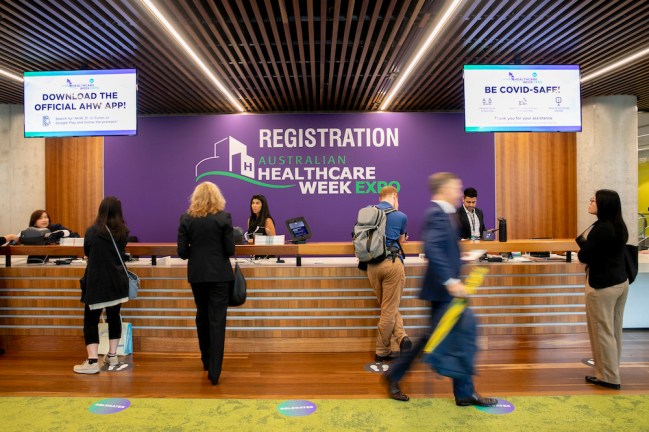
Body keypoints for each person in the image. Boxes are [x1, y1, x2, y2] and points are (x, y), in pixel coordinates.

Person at [383, 172, 496, 406]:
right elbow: (433, 249)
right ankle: (464, 393)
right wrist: (451, 282)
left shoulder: (446, 214)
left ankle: (461, 392)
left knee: (442, 338)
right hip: (443, 291)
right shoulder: (436, 214)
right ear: (443, 189)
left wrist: (464, 258)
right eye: (456, 188)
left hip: (446, 291)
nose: (459, 192)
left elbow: (445, 249)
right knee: (459, 337)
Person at [178, 182, 235, 385]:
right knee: (217, 320)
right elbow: (230, 250)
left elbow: (182, 252)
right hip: (220, 275)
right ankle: (215, 371)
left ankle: (205, 359)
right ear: (217, 197)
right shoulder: (223, 217)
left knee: (202, 316)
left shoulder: (186, 219)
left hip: (198, 275)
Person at [576, 189, 629, 390]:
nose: (590, 202)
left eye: (593, 200)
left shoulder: (601, 229)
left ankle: (608, 377)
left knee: (601, 331)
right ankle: (611, 371)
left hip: (602, 286)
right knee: (614, 330)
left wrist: (584, 246)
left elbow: (584, 256)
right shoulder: (618, 225)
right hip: (620, 283)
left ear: (604, 205)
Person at [74, 197, 130, 374]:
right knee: (114, 316)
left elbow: (87, 252)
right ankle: (112, 355)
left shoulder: (92, 231)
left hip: (97, 283)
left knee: (91, 320)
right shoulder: (123, 231)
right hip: (117, 282)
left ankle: (92, 362)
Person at [366, 186, 411, 363]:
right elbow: (401, 240)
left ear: (379, 198)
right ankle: (382, 350)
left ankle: (400, 339)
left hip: (371, 266)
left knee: (388, 307)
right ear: (394, 196)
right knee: (389, 309)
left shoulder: (368, 212)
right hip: (391, 264)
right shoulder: (400, 216)